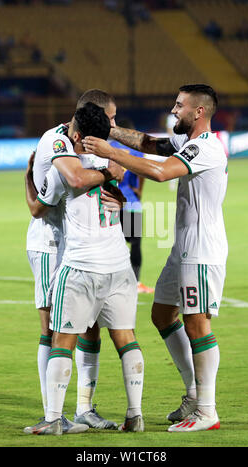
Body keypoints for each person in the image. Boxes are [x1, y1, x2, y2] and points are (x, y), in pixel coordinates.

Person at [82, 84, 228, 432]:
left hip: (202, 250)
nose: (173, 110)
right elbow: (149, 145)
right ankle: (194, 393)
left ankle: (207, 410)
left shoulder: (207, 149)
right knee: (163, 314)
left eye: (180, 106)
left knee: (197, 323)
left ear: (199, 112)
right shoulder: (187, 143)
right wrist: (110, 129)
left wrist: (110, 152)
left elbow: (161, 172)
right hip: (184, 249)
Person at [24, 102, 144, 435]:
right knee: (72, 331)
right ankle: (66, 414)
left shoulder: (79, 162)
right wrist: (114, 176)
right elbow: (81, 186)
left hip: (80, 260)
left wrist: (27, 182)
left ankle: (72, 412)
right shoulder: (68, 146)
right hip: (76, 252)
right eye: (110, 119)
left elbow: (44, 204)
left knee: (74, 333)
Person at [117, 119, 154, 294]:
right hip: (131, 203)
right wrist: (139, 190)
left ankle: (114, 283)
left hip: (112, 204)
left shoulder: (108, 147)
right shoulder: (135, 150)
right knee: (135, 244)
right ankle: (136, 283)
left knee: (115, 245)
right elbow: (143, 172)